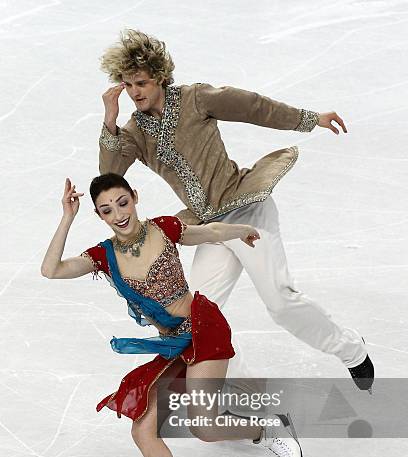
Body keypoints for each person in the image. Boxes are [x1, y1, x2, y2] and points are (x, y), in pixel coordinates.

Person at [97, 29, 374, 391]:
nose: (135, 92)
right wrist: (110, 119)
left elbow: (253, 106)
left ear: (161, 76)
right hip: (208, 228)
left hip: (245, 211)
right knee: (196, 318)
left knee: (280, 304)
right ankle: (245, 391)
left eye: (142, 82)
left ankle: (351, 350)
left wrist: (310, 118)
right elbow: (109, 179)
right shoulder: (134, 131)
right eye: (128, 84)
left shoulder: (196, 98)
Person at [40, 173, 304, 457]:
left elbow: (208, 233)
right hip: (174, 345)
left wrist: (240, 229)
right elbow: (51, 270)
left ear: (134, 197)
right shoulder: (104, 256)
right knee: (142, 429)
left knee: (204, 427)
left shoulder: (163, 229)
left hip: (203, 326)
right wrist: (67, 217)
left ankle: (266, 429)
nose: (118, 214)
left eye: (122, 202)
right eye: (106, 209)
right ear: (98, 215)